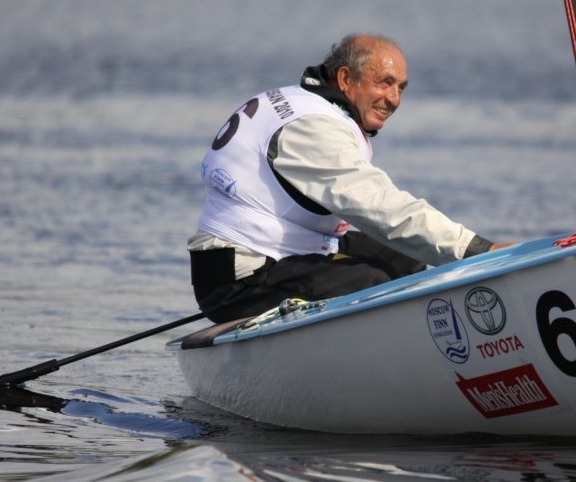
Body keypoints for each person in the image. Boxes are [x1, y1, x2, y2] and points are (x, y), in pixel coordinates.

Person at [188, 33, 512, 323]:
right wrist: (477, 251)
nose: (394, 99)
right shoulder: (311, 127)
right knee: (374, 283)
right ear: (345, 79)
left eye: (400, 88)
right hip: (238, 279)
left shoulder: (301, 100)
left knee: (405, 258)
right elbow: (381, 208)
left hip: (270, 252)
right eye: (384, 83)